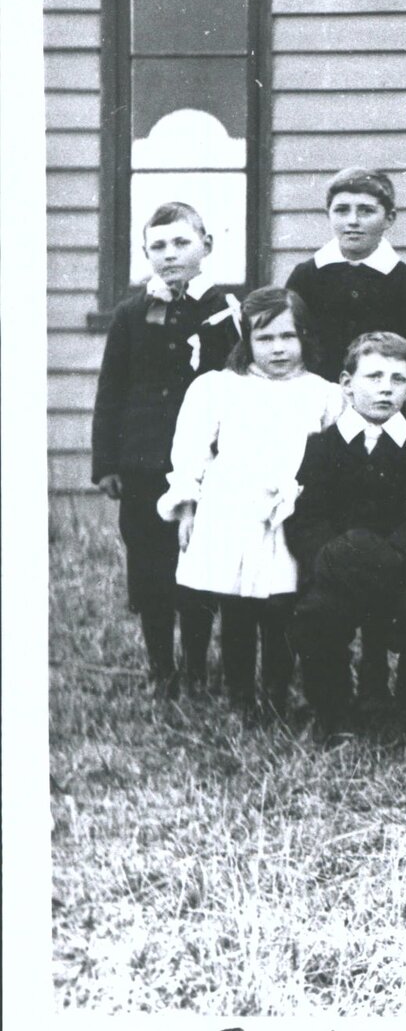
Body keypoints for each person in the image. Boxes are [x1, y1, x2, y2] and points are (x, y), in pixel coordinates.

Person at [156, 286, 342, 711]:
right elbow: (191, 450)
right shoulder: (219, 388)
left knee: (281, 607)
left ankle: (276, 692)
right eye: (265, 338)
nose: (278, 348)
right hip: (230, 510)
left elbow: (336, 457)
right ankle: (240, 695)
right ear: (247, 340)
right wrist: (187, 507)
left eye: (288, 336)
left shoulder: (324, 394)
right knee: (236, 605)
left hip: (290, 515)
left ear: (304, 337)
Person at [92, 201, 243, 698]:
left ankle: (196, 667)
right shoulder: (132, 313)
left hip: (203, 463)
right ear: (145, 254)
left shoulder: (224, 310)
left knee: (194, 566)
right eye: (158, 246)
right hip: (143, 461)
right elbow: (111, 389)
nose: (170, 254)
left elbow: (236, 381)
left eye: (181, 242)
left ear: (207, 246)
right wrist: (107, 462)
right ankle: (161, 667)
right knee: (149, 566)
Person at [287, 331, 406, 741]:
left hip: (403, 567)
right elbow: (307, 518)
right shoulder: (322, 447)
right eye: (374, 376)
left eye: (398, 380)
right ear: (347, 383)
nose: (385, 388)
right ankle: (332, 709)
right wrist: (333, 557)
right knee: (317, 613)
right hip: (339, 567)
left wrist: (393, 559)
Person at [284, 168, 406, 424]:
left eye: (366, 211)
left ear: (389, 218)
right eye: (341, 210)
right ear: (328, 214)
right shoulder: (306, 277)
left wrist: (402, 422)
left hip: (385, 418)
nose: (353, 221)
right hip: (317, 418)